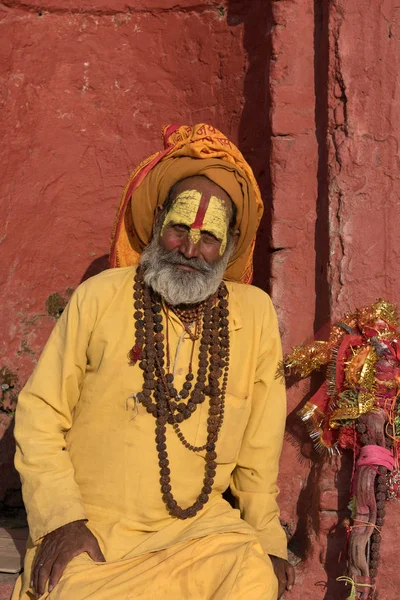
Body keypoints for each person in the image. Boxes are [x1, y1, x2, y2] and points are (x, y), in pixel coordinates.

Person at [12, 124, 295, 600]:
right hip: (96, 531)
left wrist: (268, 541)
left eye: (209, 237)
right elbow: (40, 418)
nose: (190, 249)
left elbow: (259, 453)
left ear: (228, 246)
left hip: (200, 533)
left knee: (250, 575)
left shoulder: (254, 314)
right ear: (159, 219)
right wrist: (63, 520)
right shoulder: (101, 296)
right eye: (180, 228)